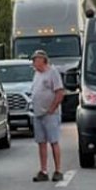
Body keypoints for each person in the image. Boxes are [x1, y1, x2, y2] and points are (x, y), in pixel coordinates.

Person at [30, 49, 66, 182]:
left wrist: (52, 108)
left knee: (53, 141)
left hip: (50, 113)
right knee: (41, 142)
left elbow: (60, 92)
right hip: (38, 113)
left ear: (42, 60)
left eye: (35, 60)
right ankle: (43, 170)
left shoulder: (52, 72)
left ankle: (58, 170)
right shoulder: (36, 74)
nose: (33, 62)